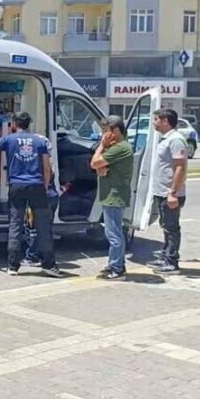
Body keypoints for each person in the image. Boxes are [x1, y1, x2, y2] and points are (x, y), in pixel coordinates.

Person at [0, 112, 65, 278]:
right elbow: (47, 167)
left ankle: (12, 265)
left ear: (14, 123)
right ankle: (48, 264)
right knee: (43, 227)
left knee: (15, 225)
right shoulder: (40, 141)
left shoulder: (7, 139)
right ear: (29, 124)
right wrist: (45, 186)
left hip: (17, 187)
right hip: (37, 186)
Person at [91, 115, 134, 281]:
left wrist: (102, 146)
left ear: (116, 130)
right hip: (109, 195)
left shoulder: (120, 148)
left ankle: (117, 269)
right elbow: (98, 166)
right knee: (113, 232)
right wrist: (99, 167)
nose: (103, 135)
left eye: (105, 131)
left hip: (114, 196)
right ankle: (116, 262)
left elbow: (94, 163)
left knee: (114, 234)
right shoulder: (114, 147)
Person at [150, 108, 188, 275]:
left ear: (165, 121)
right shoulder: (165, 139)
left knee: (172, 228)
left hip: (170, 193)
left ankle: (172, 262)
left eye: (156, 119)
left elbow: (180, 167)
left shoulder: (176, 140)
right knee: (165, 226)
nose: (154, 123)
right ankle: (165, 256)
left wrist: (173, 192)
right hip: (162, 191)